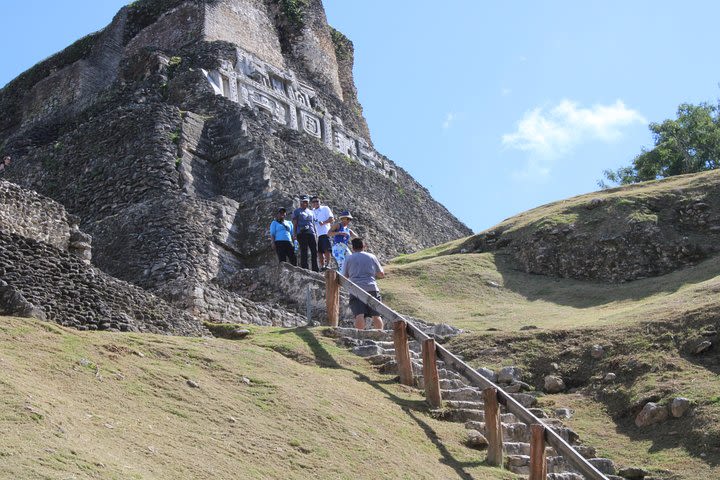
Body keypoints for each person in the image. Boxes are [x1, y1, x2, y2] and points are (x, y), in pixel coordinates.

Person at [342, 237, 385, 330]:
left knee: (359, 315)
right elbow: (381, 274)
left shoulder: (349, 258)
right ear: (363, 246)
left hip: (356, 289)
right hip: (372, 288)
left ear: (352, 248)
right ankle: (380, 334)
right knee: (376, 315)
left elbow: (344, 276)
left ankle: (359, 336)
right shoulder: (372, 256)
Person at [292, 195, 318, 271]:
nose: (305, 203)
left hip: (311, 233)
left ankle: (315, 268)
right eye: (303, 202)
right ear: (300, 202)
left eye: (306, 202)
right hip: (301, 233)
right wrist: (294, 234)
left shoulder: (311, 212)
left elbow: (313, 223)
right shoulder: (296, 211)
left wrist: (316, 234)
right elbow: (295, 223)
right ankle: (305, 268)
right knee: (304, 250)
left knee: (314, 251)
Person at [311, 195, 334, 271]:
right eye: (314, 202)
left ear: (320, 201)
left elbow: (332, 219)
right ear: (312, 203)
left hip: (325, 232)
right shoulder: (312, 212)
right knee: (319, 251)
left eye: (317, 201)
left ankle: (328, 264)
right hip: (317, 234)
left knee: (326, 249)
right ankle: (322, 266)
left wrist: (323, 222)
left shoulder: (325, 208)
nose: (315, 203)